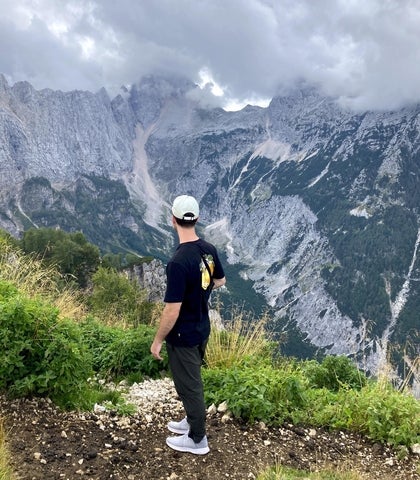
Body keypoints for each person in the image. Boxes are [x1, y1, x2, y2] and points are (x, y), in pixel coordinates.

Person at [150, 194, 226, 455]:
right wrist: (201, 291)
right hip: (202, 327)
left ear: (173, 220)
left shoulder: (178, 262)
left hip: (183, 334)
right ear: (197, 219)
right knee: (187, 381)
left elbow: (172, 309)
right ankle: (192, 420)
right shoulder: (209, 249)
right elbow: (220, 281)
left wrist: (158, 340)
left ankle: (198, 439)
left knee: (189, 385)